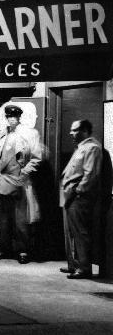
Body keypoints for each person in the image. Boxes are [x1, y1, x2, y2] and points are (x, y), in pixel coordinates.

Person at [0, 104, 42, 263]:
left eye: (15, 116)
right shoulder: (2, 133)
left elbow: (36, 158)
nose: (12, 118)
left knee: (20, 220)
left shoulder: (30, 133)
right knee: (4, 219)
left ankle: (23, 251)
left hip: (19, 180)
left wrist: (23, 174)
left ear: (20, 117)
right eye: (9, 116)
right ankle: (4, 249)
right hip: (3, 180)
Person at [59, 119, 103, 279]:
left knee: (80, 232)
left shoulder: (92, 148)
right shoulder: (81, 147)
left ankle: (84, 267)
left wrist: (79, 191)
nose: (71, 133)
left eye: (74, 130)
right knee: (71, 232)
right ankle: (74, 264)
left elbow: (91, 174)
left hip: (79, 198)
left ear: (84, 131)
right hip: (70, 196)